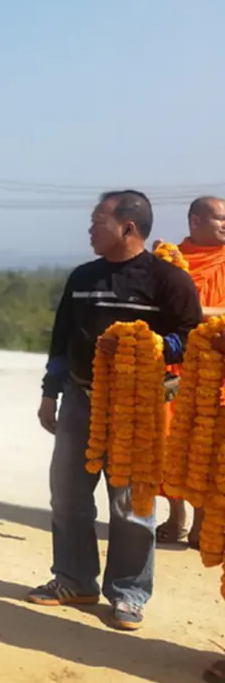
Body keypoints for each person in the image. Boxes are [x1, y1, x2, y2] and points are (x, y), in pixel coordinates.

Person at [32, 190, 202, 631]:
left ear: (128, 226)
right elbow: (61, 340)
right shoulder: (82, 277)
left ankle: (128, 594)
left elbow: (192, 335)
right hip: (81, 399)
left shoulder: (167, 280)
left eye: (98, 220)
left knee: (131, 505)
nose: (90, 228)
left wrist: (154, 345)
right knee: (67, 495)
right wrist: (51, 392)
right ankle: (74, 580)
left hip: (137, 408)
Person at [157, 196, 225, 547]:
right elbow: (160, 307)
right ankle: (176, 516)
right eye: (220, 218)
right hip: (176, 364)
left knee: (208, 445)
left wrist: (200, 311)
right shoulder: (171, 261)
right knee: (171, 441)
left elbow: (191, 311)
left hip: (217, 365)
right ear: (195, 220)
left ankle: (202, 524)